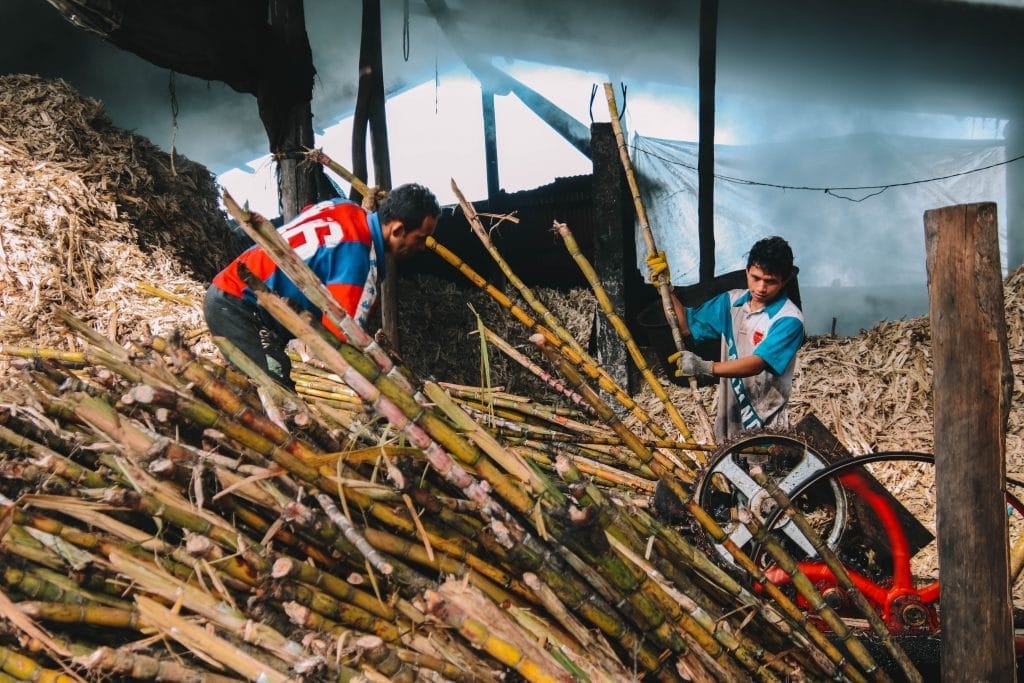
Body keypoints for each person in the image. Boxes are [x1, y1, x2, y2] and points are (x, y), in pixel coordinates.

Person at [203, 183, 441, 387]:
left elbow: (309, 219)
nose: (421, 247)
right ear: (398, 229)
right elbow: (338, 343)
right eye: (419, 238)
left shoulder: (342, 206)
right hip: (238, 303)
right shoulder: (358, 263)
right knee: (278, 391)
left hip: (232, 287)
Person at [668, 235, 804, 444]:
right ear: (747, 271)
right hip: (730, 415)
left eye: (770, 282)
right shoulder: (731, 302)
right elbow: (685, 326)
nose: (760, 288)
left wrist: (705, 367)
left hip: (764, 422)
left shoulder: (788, 319)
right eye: (755, 278)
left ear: (784, 280)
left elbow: (756, 365)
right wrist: (667, 290)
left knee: (763, 472)